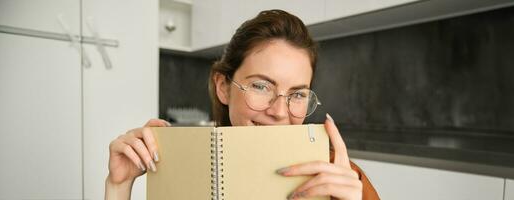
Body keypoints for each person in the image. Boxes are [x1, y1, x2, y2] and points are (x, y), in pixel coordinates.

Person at [105, 9, 380, 200]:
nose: (279, 112)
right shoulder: (181, 167)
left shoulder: (341, 178)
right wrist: (119, 185)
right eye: (261, 86)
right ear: (223, 87)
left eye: (297, 93)